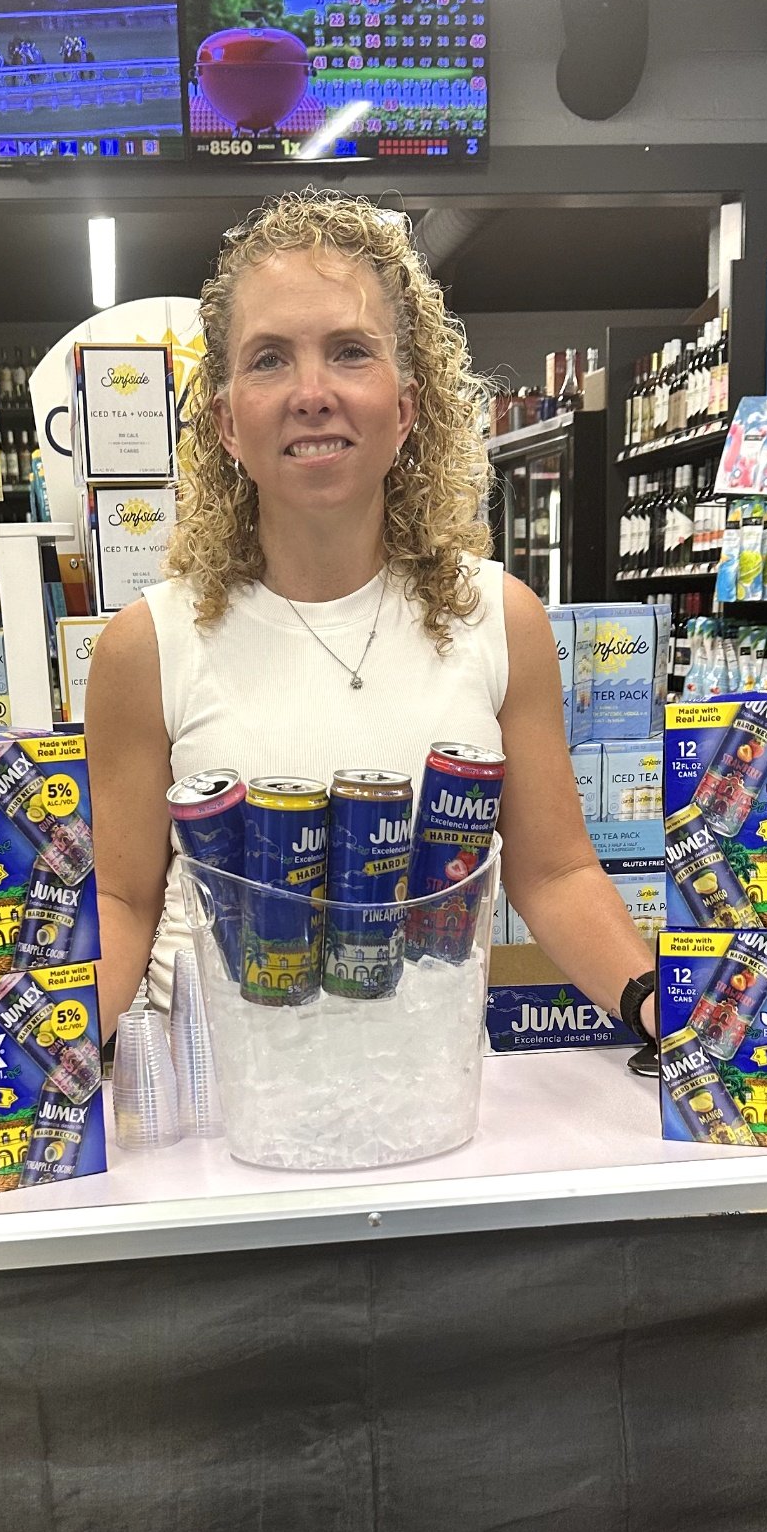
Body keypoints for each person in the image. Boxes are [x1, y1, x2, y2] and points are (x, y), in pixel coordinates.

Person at [86, 189, 660, 1046]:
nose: (312, 393)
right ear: (227, 425)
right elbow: (122, 900)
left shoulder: (497, 619)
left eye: (350, 352)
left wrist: (664, 1009)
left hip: (422, 1091)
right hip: (223, 1097)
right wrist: (32, 1070)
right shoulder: (149, 644)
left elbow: (556, 873)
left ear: (405, 409)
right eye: (269, 359)